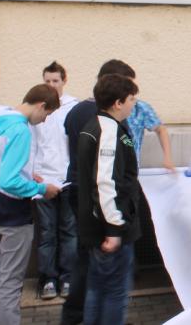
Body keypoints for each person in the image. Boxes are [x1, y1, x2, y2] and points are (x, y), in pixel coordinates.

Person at [61, 59, 143, 325]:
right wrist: (114, 228)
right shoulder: (108, 131)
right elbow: (105, 183)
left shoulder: (99, 124)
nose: (134, 104)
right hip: (109, 224)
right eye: (131, 99)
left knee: (97, 286)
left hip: (97, 221)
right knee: (114, 291)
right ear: (118, 102)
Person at [0, 84, 62, 325]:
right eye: (47, 114)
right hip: (15, 215)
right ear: (41, 106)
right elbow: (9, 180)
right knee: (11, 284)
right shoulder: (20, 130)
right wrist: (41, 189)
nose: (44, 120)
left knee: (0, 278)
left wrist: (25, 177)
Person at [32, 61, 79, 300]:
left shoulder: (73, 107)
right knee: (47, 232)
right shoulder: (37, 107)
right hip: (42, 180)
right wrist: (32, 172)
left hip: (67, 180)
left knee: (69, 231)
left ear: (64, 81)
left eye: (55, 80)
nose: (51, 85)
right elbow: (31, 143)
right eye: (47, 81)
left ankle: (68, 277)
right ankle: (48, 279)